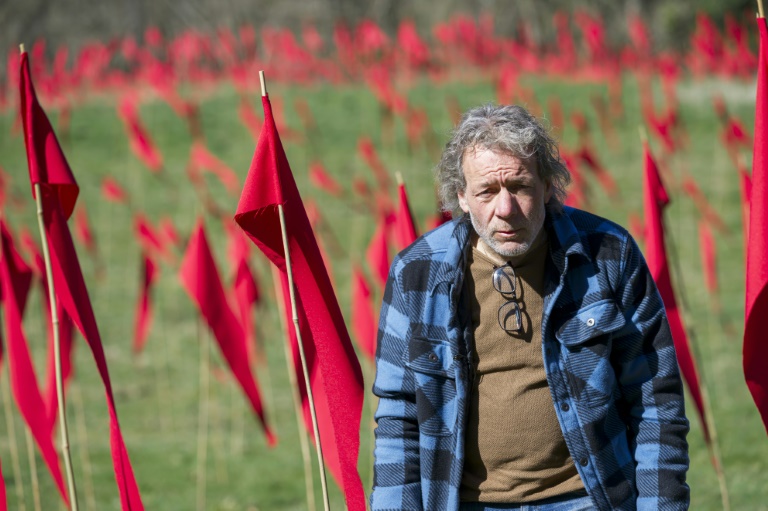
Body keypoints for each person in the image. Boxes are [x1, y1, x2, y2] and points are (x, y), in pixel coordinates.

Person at [370, 104, 689, 511]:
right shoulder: (415, 274)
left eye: (519, 186)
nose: (505, 208)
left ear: (547, 185)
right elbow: (399, 418)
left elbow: (656, 401)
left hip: (590, 499)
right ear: (462, 198)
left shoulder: (609, 255)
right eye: (487, 191)